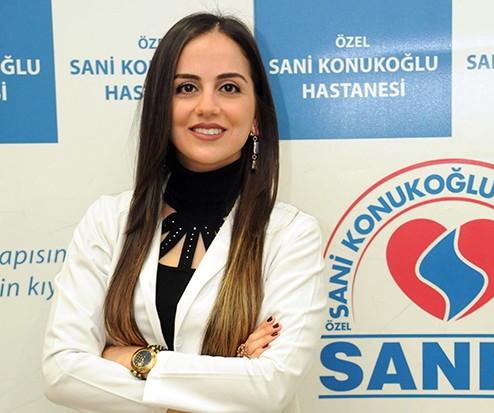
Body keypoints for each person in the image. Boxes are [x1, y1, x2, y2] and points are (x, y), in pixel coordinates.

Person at [42, 12, 326, 413]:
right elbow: (62, 373)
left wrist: (131, 358)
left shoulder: (291, 234)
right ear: (161, 106)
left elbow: (270, 387)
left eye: (229, 87)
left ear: (256, 114)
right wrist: (234, 369)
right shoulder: (107, 221)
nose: (207, 106)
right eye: (186, 88)